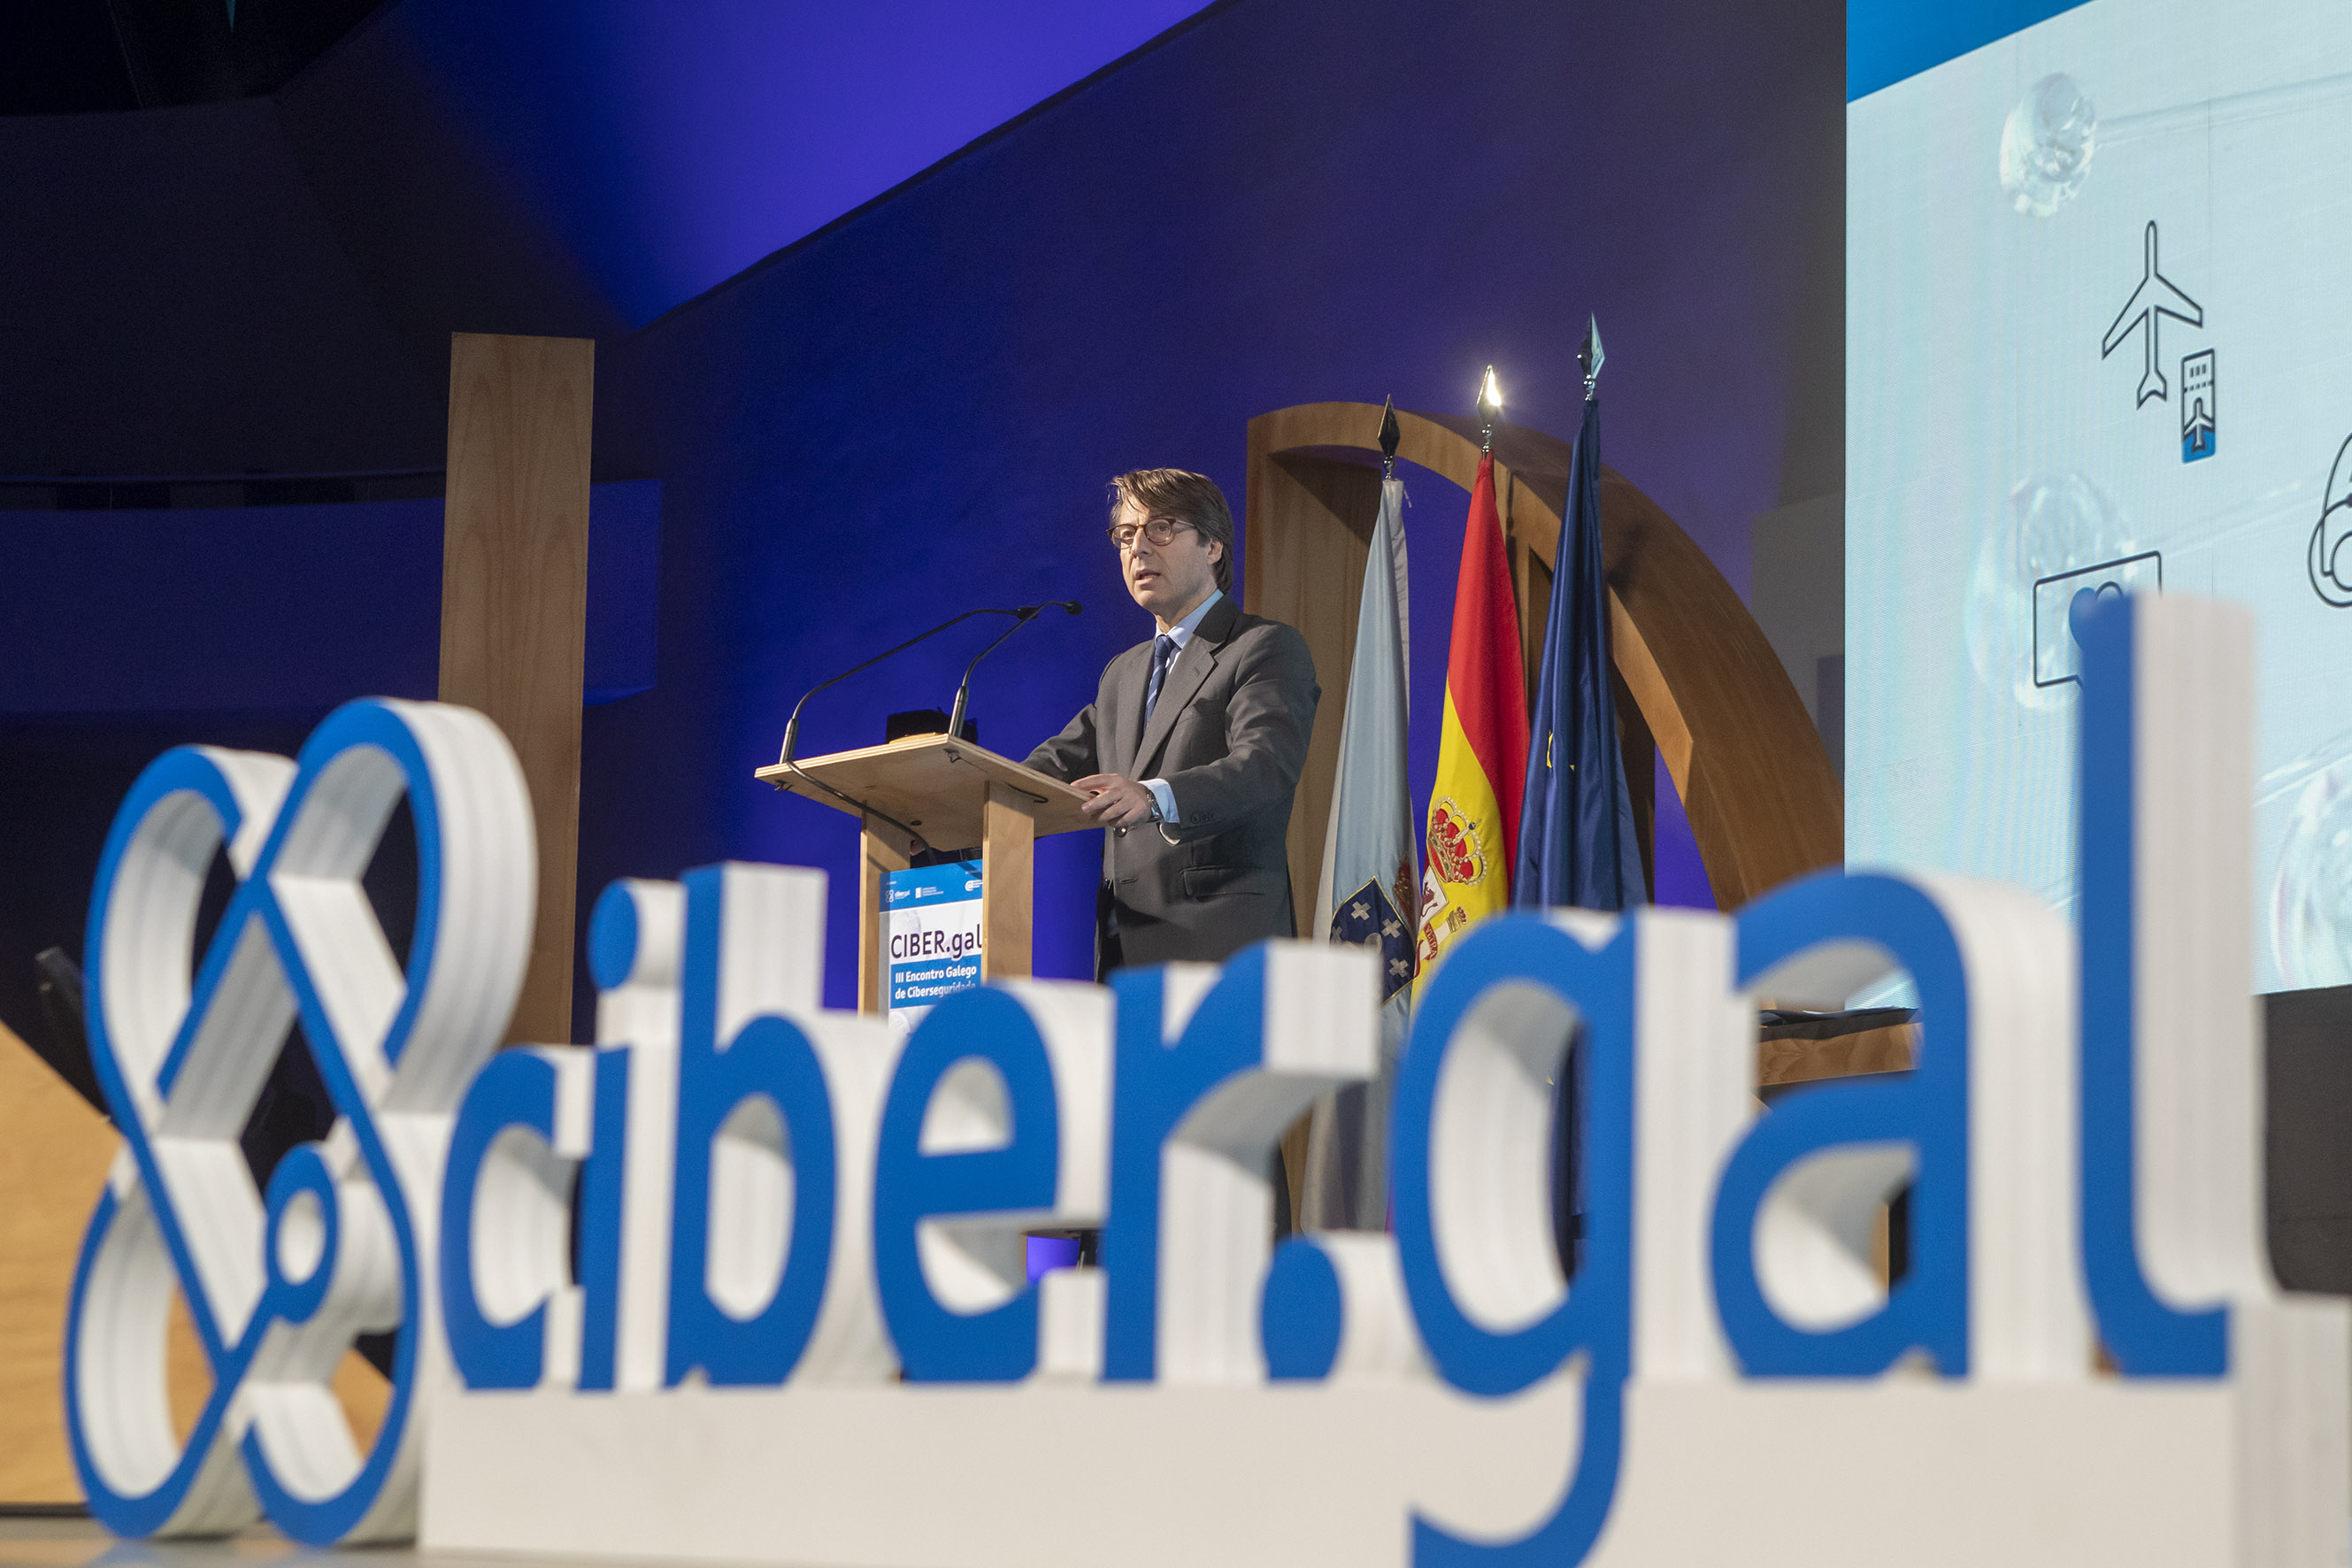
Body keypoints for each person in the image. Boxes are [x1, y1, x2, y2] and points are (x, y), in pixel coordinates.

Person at [1026, 469, 1318, 977]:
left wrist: (1153, 796)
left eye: (1160, 528)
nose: (1138, 548)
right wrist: (949, 819)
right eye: (1125, 535)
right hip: (1124, 953)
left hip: (1220, 949)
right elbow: (1049, 769)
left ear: (1213, 546)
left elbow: (1264, 765)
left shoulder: (1263, 647)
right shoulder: (1122, 673)